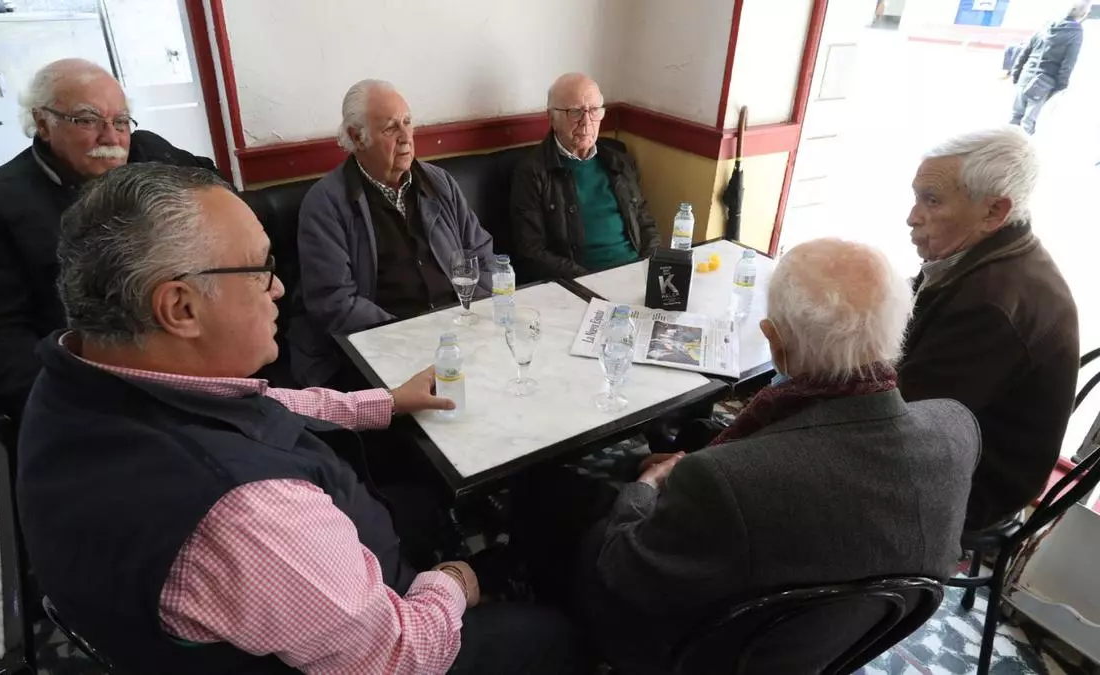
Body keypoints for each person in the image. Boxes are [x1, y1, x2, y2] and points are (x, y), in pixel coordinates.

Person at [18, 163, 581, 675]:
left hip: (227, 603)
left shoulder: (81, 373)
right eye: (259, 270)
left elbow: (260, 403)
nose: (279, 288)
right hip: (392, 646)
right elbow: (400, 657)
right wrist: (456, 581)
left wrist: (384, 402)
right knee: (553, 634)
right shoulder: (244, 513)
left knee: (419, 502)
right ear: (181, 307)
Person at [574, 238, 980, 674]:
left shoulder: (725, 479)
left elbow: (625, 570)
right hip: (837, 646)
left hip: (703, 655)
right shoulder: (957, 430)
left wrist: (644, 488)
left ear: (775, 342)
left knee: (584, 517)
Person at [0, 58, 218, 419]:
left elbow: (220, 202)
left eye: (121, 121)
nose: (112, 138)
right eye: (88, 120)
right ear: (43, 123)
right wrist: (92, 395)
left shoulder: (151, 155)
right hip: (93, 395)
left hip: (195, 359)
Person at [899, 127, 1079, 531]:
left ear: (994, 211)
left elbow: (901, 422)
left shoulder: (991, 303)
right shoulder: (982, 253)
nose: (912, 217)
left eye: (931, 200)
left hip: (974, 485)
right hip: (951, 439)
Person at [291, 79, 496, 386]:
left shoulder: (439, 183)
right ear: (356, 137)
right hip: (381, 349)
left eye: (408, 122)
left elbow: (481, 253)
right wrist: (412, 336)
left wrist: (476, 320)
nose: (405, 137)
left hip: (456, 335)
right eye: (390, 128)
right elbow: (335, 302)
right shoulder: (325, 204)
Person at [510, 73, 659, 280]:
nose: (586, 121)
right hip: (581, 280)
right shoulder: (532, 172)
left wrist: (652, 266)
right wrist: (589, 282)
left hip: (635, 273)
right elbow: (532, 251)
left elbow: (645, 224)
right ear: (552, 117)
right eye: (575, 112)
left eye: (594, 110)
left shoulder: (619, 161)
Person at [1010, 1, 1091, 134]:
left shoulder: (1047, 26)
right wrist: (1061, 85)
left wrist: (1016, 72)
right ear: (1084, 13)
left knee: (1015, 116)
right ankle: (1020, 146)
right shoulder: (1075, 32)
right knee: (1028, 122)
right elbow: (1069, 62)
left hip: (1026, 74)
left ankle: (1004, 143)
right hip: (1044, 81)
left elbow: (1025, 51)